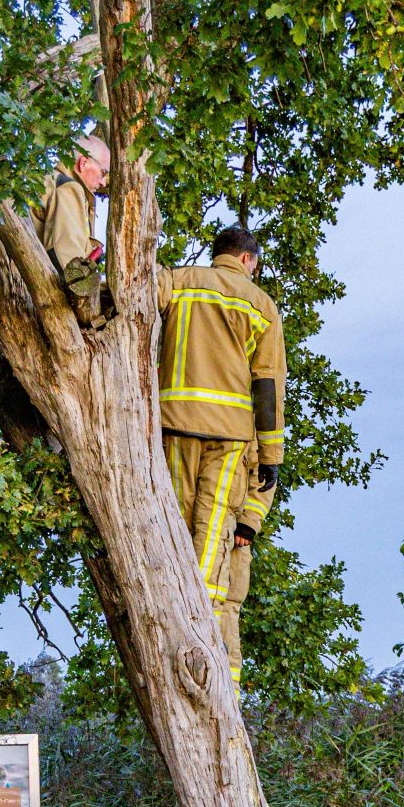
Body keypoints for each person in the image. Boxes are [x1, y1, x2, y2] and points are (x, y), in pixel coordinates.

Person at [156, 225, 286, 677]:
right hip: (230, 436)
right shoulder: (261, 305)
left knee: (175, 524)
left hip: (174, 423)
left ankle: (173, 620)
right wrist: (271, 456)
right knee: (212, 533)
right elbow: (267, 387)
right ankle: (205, 641)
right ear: (248, 259)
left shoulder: (178, 280)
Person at [38, 134, 110, 321]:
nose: (103, 183)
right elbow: (68, 260)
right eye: (103, 173)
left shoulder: (50, 180)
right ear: (83, 163)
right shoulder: (69, 188)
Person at [219, 441, 273, 677]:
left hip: (234, 539)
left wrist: (248, 524)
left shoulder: (252, 433)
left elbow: (264, 482)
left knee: (227, 611)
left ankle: (229, 690)